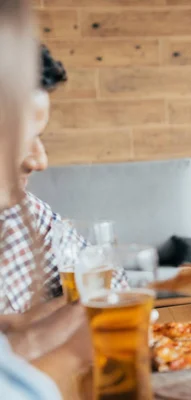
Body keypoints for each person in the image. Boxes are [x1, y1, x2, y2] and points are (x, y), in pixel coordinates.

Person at [0, 44, 128, 314]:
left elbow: (113, 284)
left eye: (37, 137)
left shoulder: (23, 212)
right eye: (19, 140)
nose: (39, 161)